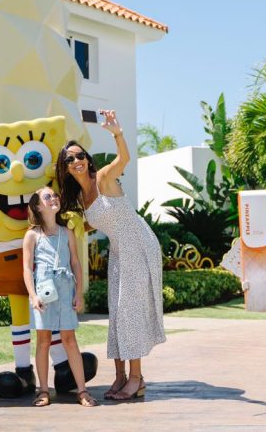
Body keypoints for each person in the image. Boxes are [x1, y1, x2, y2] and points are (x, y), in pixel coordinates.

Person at [56, 109, 165, 400]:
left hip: (139, 245)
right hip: (119, 250)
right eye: (70, 159)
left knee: (130, 311)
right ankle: (119, 376)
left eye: (80, 156)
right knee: (116, 312)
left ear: (87, 160)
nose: (77, 161)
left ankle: (136, 379)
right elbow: (94, 222)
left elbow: (123, 160)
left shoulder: (103, 178)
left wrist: (117, 133)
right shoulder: (80, 197)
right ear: (65, 168)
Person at [21, 186, 98, 407]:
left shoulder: (67, 232)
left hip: (65, 288)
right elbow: (27, 268)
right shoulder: (32, 235)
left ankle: (82, 391)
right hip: (43, 290)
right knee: (43, 341)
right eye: (47, 196)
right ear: (38, 206)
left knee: (69, 339)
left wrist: (79, 293)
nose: (53, 198)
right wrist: (32, 295)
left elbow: (75, 263)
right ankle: (44, 391)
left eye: (55, 195)